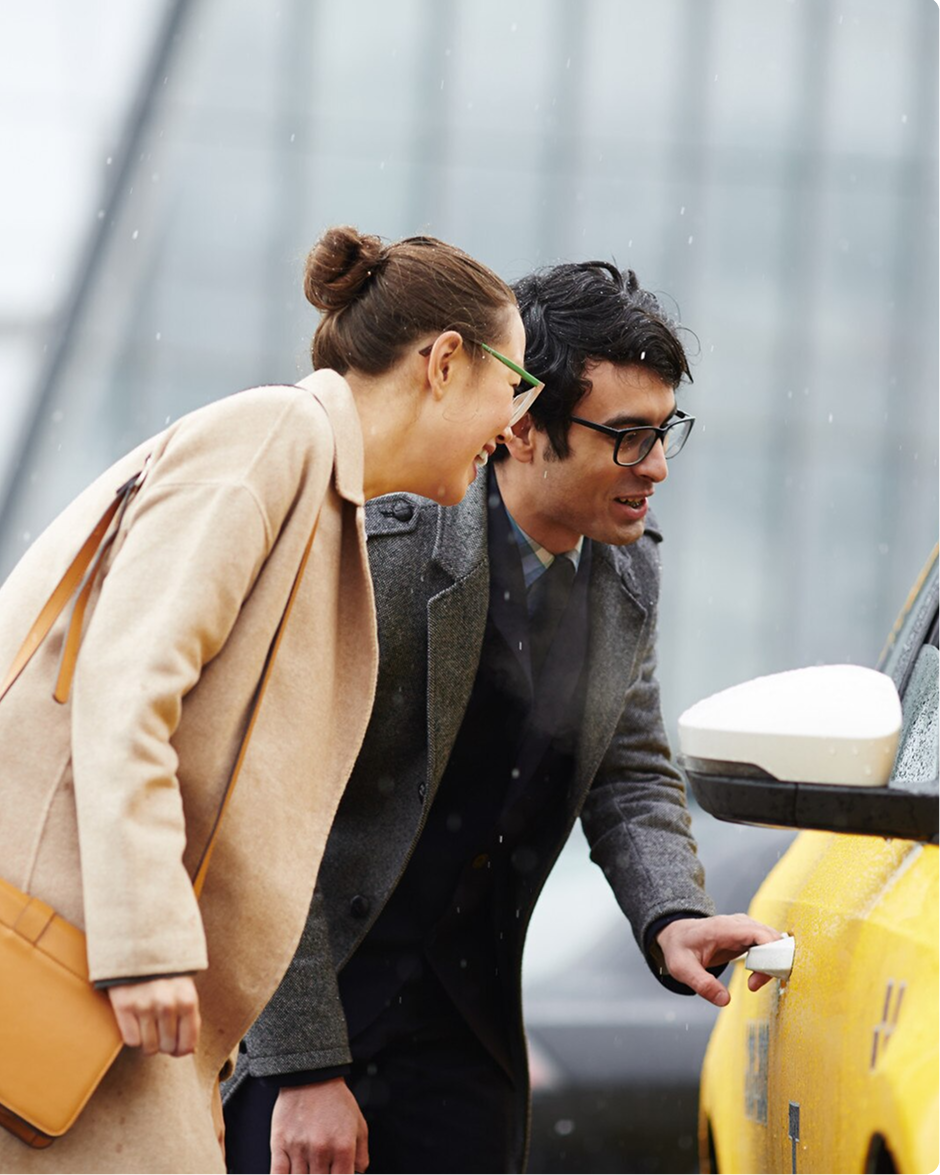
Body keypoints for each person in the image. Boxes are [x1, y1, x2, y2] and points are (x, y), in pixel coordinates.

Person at [0, 226, 542, 1175]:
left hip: (102, 984)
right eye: (510, 384)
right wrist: (146, 942)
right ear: (443, 362)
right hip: (86, 970)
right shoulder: (277, 436)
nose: (515, 422)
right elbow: (127, 681)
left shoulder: (321, 484)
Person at [222, 261, 783, 1175]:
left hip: (471, 1047)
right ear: (521, 427)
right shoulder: (391, 555)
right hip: (314, 1033)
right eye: (629, 436)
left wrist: (671, 913)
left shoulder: (629, 574)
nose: (659, 466)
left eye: (666, 430)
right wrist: (305, 1069)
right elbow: (267, 809)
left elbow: (628, 768)